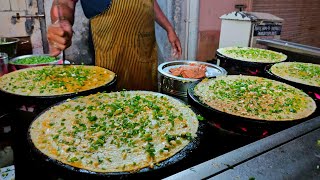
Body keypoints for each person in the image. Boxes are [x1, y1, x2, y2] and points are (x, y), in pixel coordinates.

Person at [47, 0, 182, 91]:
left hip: (144, 43)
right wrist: (61, 20)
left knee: (146, 98)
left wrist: (169, 28)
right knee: (111, 97)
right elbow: (65, 2)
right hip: (108, 41)